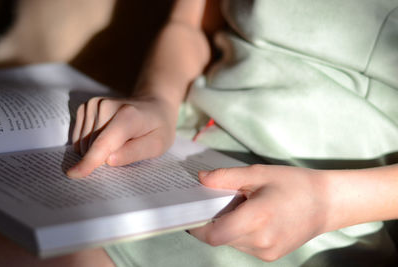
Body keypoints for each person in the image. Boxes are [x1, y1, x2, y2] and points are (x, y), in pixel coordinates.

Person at [67, 0, 398, 265]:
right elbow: (191, 24)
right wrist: (157, 99)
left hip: (321, 213)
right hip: (181, 143)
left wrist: (328, 203)